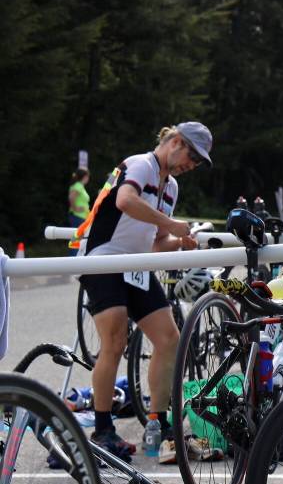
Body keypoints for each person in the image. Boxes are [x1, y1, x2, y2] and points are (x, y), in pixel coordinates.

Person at [78, 122, 212, 460]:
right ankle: (103, 429)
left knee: (170, 338)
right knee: (115, 341)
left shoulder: (172, 187)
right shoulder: (141, 164)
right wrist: (171, 226)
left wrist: (180, 241)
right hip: (104, 259)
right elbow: (125, 200)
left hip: (135, 265)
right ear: (176, 142)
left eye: (196, 163)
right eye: (191, 157)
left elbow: (154, 243)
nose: (190, 166)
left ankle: (159, 421)